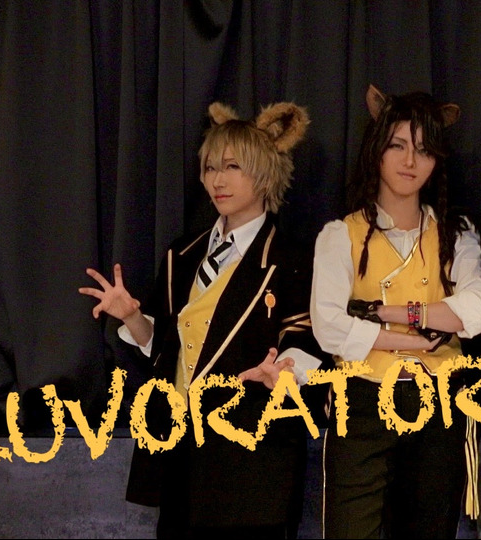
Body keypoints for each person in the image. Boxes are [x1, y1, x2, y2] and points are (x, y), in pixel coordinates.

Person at [79, 101, 324, 538]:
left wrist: (285, 371)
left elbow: (305, 341)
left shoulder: (291, 258)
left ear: (265, 173)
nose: (217, 180)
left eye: (232, 166)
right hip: (181, 456)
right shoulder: (183, 254)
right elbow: (167, 348)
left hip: (251, 457)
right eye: (210, 167)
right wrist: (132, 317)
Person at [311, 85, 481, 539]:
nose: (410, 161)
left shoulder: (456, 235)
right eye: (397, 146)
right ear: (376, 150)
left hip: (438, 403)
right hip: (362, 399)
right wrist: (416, 339)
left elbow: (477, 310)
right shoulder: (341, 235)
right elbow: (329, 325)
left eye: (424, 150)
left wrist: (384, 312)